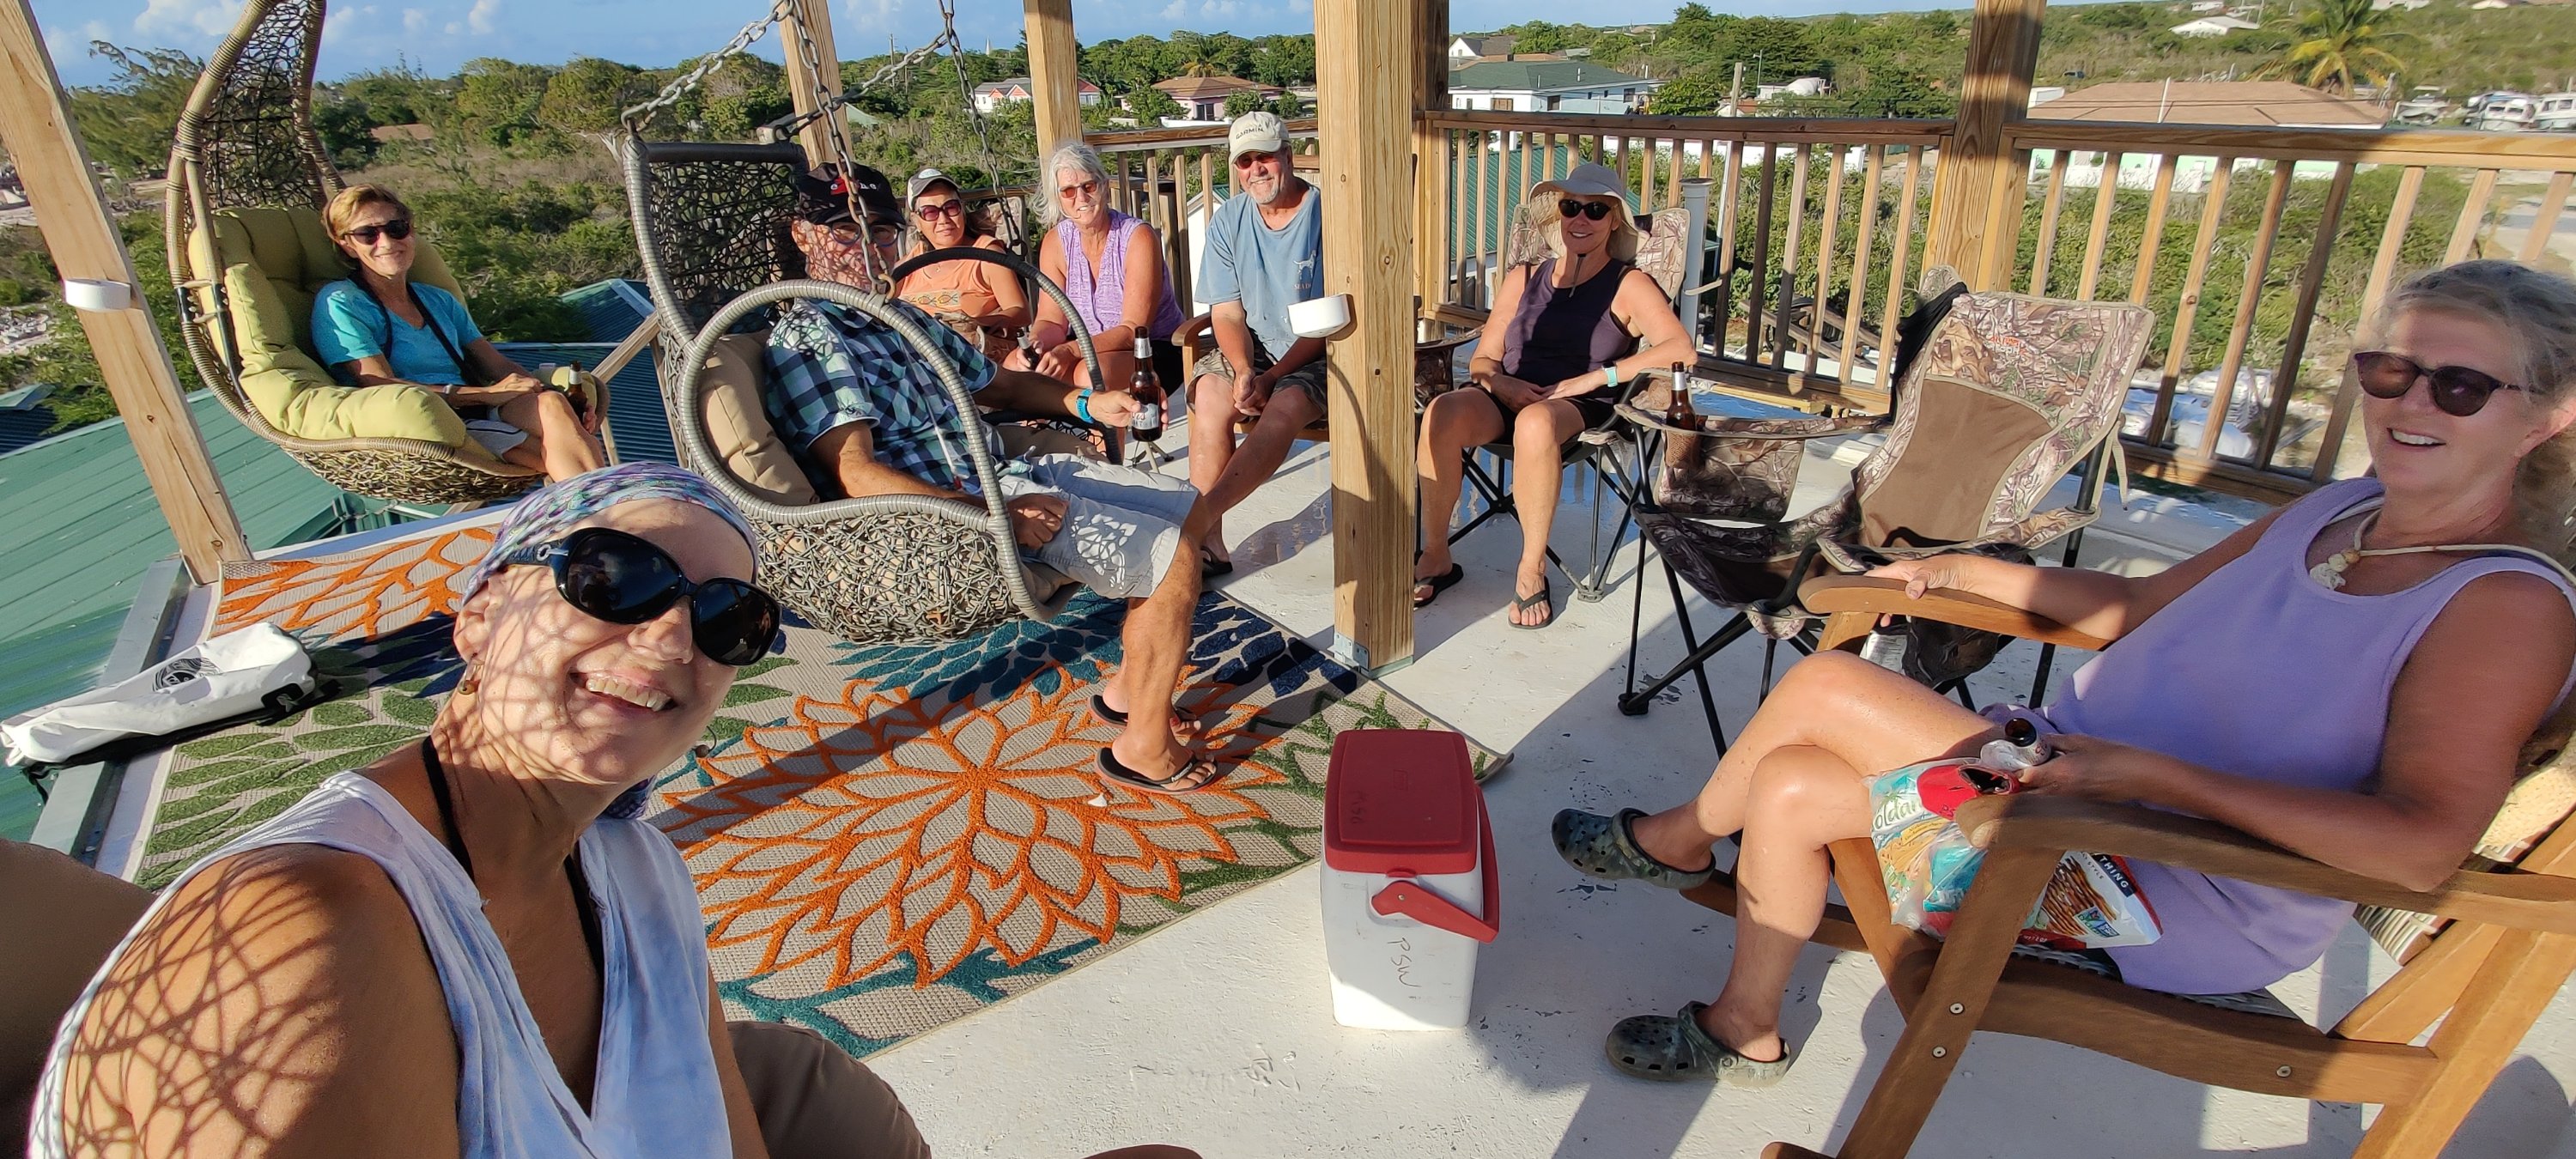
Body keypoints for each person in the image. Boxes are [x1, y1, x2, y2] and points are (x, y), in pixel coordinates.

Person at [1551, 260, 2576, 1086]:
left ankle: (1677, 841)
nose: (2410, 402)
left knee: (1825, 688)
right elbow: (2137, 608)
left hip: (2172, 879)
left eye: (2461, 386)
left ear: (2550, 417)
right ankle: (1746, 1025)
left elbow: (2419, 849)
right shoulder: (2339, 509)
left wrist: (2153, 779)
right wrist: (1956, 571)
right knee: (1786, 782)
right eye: (2391, 372)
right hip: (2071, 786)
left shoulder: (2502, 606)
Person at [28, 464, 1201, 1159]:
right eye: (613, 578)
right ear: (479, 614)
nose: (670, 633)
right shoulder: (314, 931)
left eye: (728, 617)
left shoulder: (634, 867)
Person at [769, 164, 1224, 795]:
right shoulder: (809, 338)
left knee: (1190, 508)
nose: (869, 247)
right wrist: (993, 516)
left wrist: (1089, 404)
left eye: (881, 230)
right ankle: (1142, 749)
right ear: (802, 234)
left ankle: (1128, 691)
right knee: (1173, 560)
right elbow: (856, 473)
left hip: (1009, 469)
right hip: (961, 509)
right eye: (846, 231)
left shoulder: (903, 319)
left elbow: (1003, 386)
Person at [1412, 163, 1692, 627]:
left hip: (1575, 406)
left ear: (1614, 220)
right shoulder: (1524, 277)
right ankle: (1437, 553)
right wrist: (1502, 384)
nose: (1581, 218)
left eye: (1595, 210)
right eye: (1571, 207)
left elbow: (1680, 348)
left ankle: (1531, 568)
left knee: (1536, 421)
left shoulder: (1628, 283)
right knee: (1442, 411)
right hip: (1508, 394)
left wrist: (1592, 379)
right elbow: (1484, 360)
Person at [312, 184, 605, 482]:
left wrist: (546, 393)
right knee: (559, 452)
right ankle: (607, 505)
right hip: (431, 424)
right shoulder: (343, 303)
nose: (386, 242)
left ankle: (602, 504)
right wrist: (486, 395)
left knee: (555, 407)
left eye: (396, 228)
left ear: (411, 230)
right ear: (347, 244)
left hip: (478, 407)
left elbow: (497, 365)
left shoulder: (437, 300)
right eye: (367, 234)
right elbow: (378, 383)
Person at [1186, 111, 1326, 577]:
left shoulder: (1326, 214)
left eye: (1265, 156)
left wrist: (1272, 377)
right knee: (1211, 394)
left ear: (1287, 155)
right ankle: (1208, 543)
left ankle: (1197, 516)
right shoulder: (1229, 219)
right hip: (1258, 347)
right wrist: (1245, 369)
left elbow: (1328, 324)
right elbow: (1227, 313)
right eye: (1244, 161)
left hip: (1323, 349)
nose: (1256, 169)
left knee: (1284, 405)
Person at [1017, 143, 1188, 410]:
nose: (1081, 198)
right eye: (1068, 191)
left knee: (1089, 375)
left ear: (1105, 187)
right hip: (1087, 348)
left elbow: (1133, 330)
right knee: (1019, 369)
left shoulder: (1137, 237)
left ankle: (1104, 440)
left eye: (1089, 186)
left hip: (1152, 350)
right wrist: (1035, 344)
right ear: (1058, 198)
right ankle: (1034, 435)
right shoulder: (1055, 242)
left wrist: (1070, 350)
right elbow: (1051, 319)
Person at [893, 167, 1031, 362]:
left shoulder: (986, 255)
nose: (943, 219)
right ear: (916, 220)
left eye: (951, 207)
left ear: (962, 209)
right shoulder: (908, 266)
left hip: (973, 360)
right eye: (930, 212)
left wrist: (976, 324)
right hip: (917, 362)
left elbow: (1021, 312)